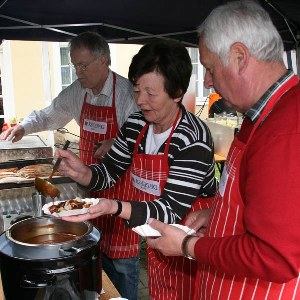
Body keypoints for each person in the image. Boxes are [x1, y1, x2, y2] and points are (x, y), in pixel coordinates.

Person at [147, 1, 300, 299]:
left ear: (240, 57)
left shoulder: (284, 129)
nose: (206, 81)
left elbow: (274, 256)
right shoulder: (263, 114)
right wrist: (218, 211)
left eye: (210, 68)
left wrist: (185, 246)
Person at [54, 39, 217, 299]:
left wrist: (113, 206)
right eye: (136, 90)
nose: (140, 100)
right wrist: (82, 172)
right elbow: (108, 172)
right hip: (154, 236)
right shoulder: (136, 124)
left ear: (176, 93)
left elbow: (170, 210)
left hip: (192, 242)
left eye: (151, 93)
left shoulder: (192, 138)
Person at [0, 32, 140, 299]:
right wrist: (24, 126)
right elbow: (51, 114)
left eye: (83, 65)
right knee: (92, 251)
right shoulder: (79, 91)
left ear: (104, 60)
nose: (78, 71)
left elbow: (142, 135)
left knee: (122, 263)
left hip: (123, 190)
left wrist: (118, 140)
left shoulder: (125, 93)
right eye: (74, 65)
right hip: (89, 189)